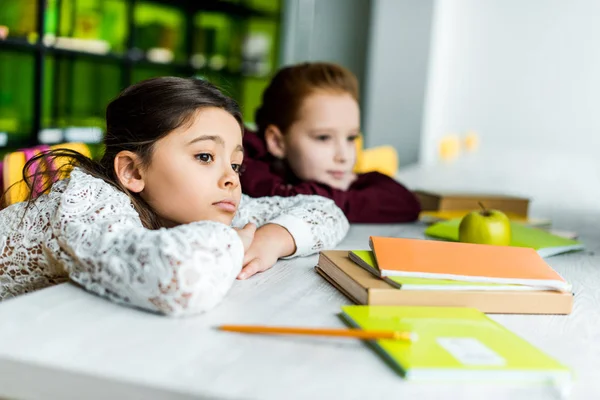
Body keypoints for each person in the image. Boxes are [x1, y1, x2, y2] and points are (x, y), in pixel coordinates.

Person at [0, 77, 349, 316]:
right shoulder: (86, 205)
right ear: (133, 172)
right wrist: (238, 245)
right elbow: (181, 277)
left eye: (236, 164)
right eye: (204, 157)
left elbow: (326, 211)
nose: (230, 178)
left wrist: (274, 238)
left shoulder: (199, 203)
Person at [241, 62, 421, 223]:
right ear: (277, 142)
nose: (343, 156)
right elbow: (283, 199)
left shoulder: (323, 172)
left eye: (351, 138)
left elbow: (407, 202)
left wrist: (335, 198)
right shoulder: (242, 156)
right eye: (323, 137)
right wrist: (339, 198)